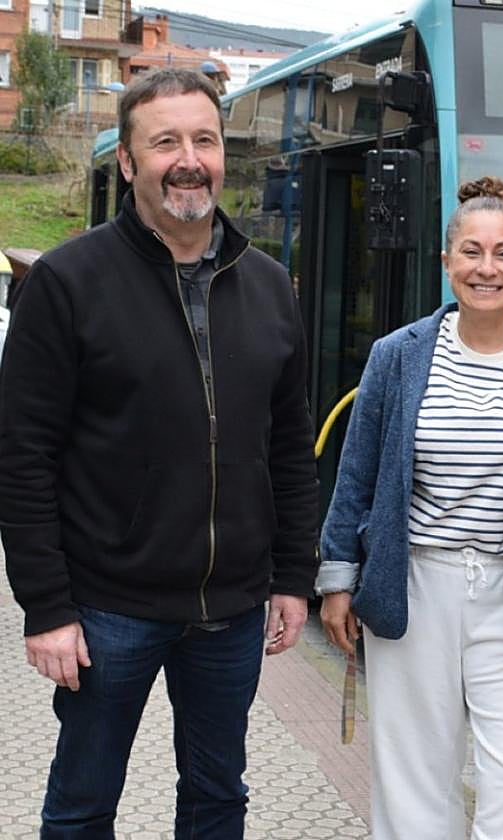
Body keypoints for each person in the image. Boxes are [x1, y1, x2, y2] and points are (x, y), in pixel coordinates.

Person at [0, 68, 319, 838]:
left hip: (233, 611)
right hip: (107, 608)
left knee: (218, 799)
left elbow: (288, 447)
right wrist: (47, 608)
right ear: (128, 161)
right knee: (82, 807)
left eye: (204, 140)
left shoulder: (270, 286)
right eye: (165, 142)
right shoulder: (67, 282)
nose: (189, 160)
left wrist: (293, 576)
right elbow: (22, 456)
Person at [318, 176, 503, 840]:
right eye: (473, 252)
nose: (488, 268)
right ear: (448, 260)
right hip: (414, 585)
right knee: (416, 778)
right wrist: (338, 577)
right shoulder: (396, 357)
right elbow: (356, 472)